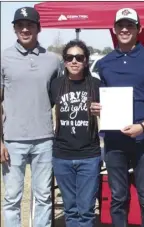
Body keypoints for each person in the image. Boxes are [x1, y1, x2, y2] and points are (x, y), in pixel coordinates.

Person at [91, 8, 144, 227]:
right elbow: (105, 99)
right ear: (114, 29)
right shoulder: (105, 62)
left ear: (139, 29)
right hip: (114, 140)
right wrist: (100, 109)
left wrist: (143, 126)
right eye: (120, 25)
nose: (125, 29)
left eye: (130, 25)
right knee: (118, 197)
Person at [0, 7, 60, 227]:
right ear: (14, 28)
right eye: (20, 25)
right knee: (12, 198)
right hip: (12, 140)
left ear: (39, 28)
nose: (25, 29)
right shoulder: (3, 58)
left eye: (30, 25)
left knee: (44, 197)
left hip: (44, 139)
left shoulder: (53, 60)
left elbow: (58, 98)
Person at [50, 40, 101, 227]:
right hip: (62, 155)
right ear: (64, 61)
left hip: (89, 155)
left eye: (79, 57)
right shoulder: (55, 85)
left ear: (86, 61)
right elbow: (41, 110)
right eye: (69, 57)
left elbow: (113, 113)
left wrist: (102, 111)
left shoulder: (96, 85)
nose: (74, 61)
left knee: (86, 210)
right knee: (70, 210)